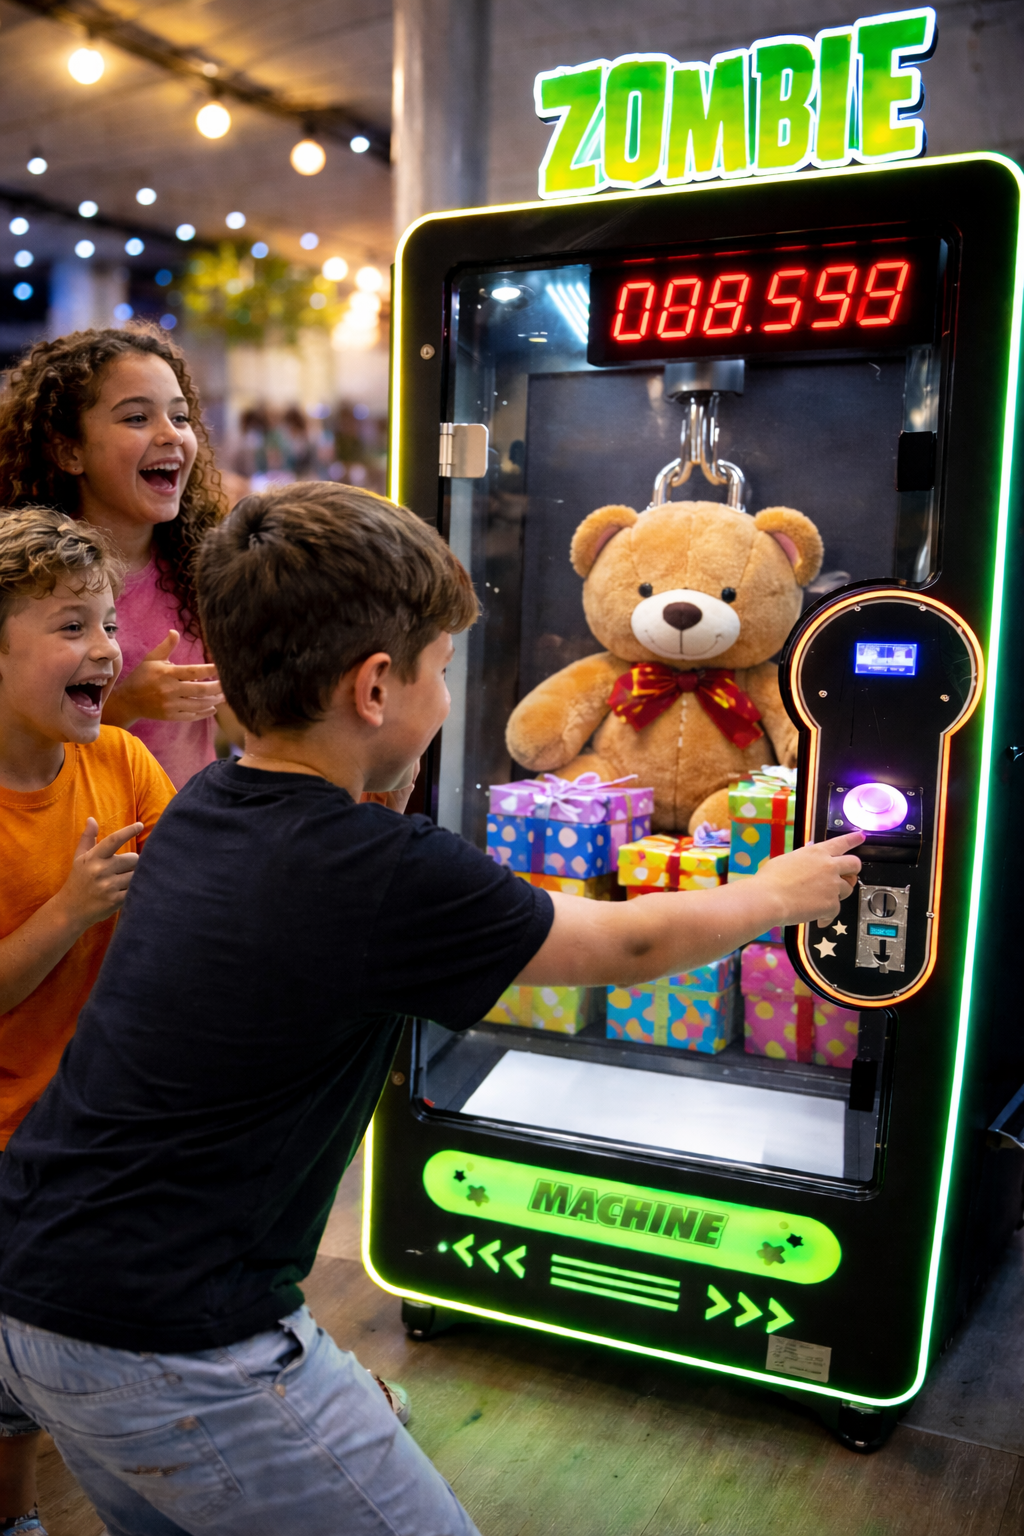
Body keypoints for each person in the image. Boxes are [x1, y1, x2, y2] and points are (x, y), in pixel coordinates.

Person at [0, 484, 862, 1536]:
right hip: (181, 1346)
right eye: (441, 671)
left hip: (35, 1289)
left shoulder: (201, 811)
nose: (449, 699)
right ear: (374, 687)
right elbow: (620, 944)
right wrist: (772, 894)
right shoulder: (380, 870)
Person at [0, 507, 174, 1535]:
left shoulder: (120, 766)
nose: (105, 649)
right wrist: (69, 910)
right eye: (72, 625)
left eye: (107, 623)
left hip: (92, 1130)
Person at [0, 324, 233, 789]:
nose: (171, 436)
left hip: (190, 840)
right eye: (136, 418)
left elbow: (248, 724)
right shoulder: (27, 582)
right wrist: (126, 705)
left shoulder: (206, 571)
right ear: (69, 451)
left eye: (181, 417)